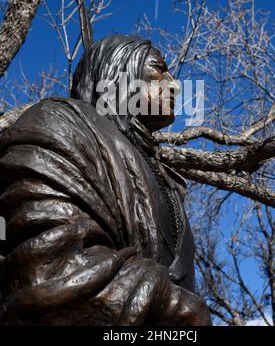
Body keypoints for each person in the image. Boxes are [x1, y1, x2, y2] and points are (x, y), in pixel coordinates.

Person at [0, 25, 211, 326]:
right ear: (117, 75)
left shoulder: (169, 182)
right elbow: (49, 273)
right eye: (159, 71)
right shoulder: (60, 125)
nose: (175, 85)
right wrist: (178, 307)